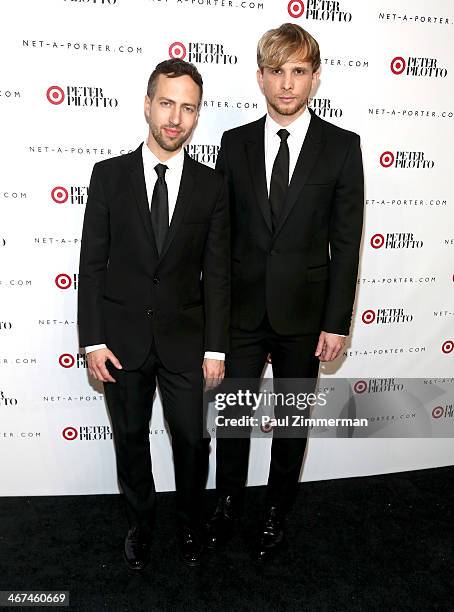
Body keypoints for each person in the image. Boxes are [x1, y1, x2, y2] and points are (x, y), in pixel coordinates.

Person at [206, 23, 364, 561]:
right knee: (232, 419)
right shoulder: (234, 144)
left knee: (293, 423)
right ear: (260, 77)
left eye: (298, 71)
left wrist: (337, 322)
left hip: (305, 315)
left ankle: (276, 511)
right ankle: (227, 503)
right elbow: (220, 238)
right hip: (242, 316)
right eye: (277, 71)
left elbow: (346, 244)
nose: (287, 84)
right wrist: (214, 322)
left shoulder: (343, 148)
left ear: (315, 78)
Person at [77, 58, 230, 570]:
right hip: (120, 341)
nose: (175, 118)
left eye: (188, 108)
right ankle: (141, 523)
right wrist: (92, 341)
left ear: (196, 115)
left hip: (187, 340)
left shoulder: (212, 186)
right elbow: (92, 265)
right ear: (147, 104)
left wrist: (215, 347)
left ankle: (190, 523)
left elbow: (218, 273)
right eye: (167, 103)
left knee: (191, 439)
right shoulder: (108, 176)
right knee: (130, 438)